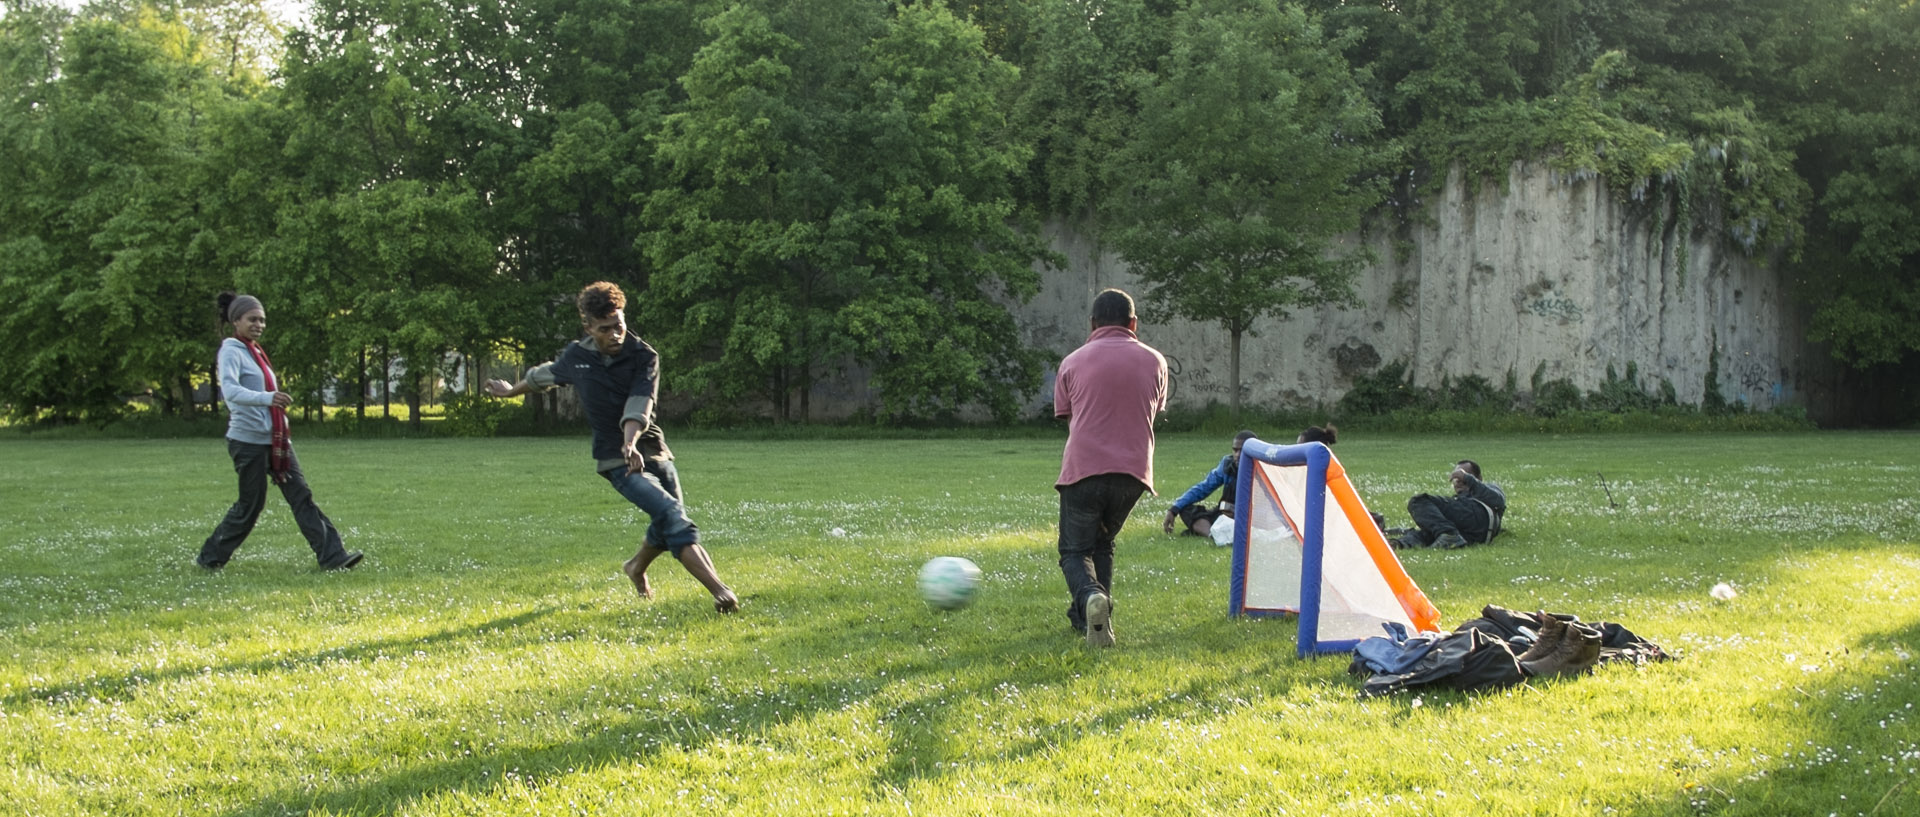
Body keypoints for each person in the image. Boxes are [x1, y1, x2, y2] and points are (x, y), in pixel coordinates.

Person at [483, 281, 739, 613]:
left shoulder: (644, 356)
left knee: (667, 521)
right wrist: (509, 392)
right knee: (672, 516)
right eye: (605, 329)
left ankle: (635, 566)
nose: (615, 334)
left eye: (619, 325)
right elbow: (543, 376)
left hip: (652, 450)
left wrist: (632, 442)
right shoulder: (577, 357)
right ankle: (720, 592)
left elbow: (639, 404)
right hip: (614, 459)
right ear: (588, 327)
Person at [198, 293, 365, 571]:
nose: (259, 325)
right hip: (247, 441)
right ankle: (209, 558)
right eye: (252, 319)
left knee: (301, 496)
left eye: (262, 320)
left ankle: (334, 558)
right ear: (236, 321)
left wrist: (271, 402)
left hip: (275, 440)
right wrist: (268, 397)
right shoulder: (231, 350)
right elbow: (230, 391)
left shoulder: (256, 352)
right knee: (250, 507)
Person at [1053, 288, 1168, 647]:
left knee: (1074, 551)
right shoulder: (1156, 361)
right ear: (1133, 323)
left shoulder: (1072, 361)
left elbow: (1067, 416)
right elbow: (1153, 411)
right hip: (1133, 473)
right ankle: (1086, 620)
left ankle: (1089, 598)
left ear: (1092, 323)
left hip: (1084, 468)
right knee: (1103, 544)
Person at [1162, 430, 1258, 541]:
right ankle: (1213, 536)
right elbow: (1203, 488)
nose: (1238, 455)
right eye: (1235, 450)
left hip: (1250, 518)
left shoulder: (1262, 471)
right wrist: (1174, 509)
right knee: (1185, 509)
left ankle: (1221, 534)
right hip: (1223, 515)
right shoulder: (1227, 465)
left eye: (1243, 451)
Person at [1394, 459, 1506, 550]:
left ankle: (1449, 534)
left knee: (1418, 501)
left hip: (1477, 513)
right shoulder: (1458, 502)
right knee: (1432, 533)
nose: (1459, 480)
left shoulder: (1489, 487)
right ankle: (1398, 544)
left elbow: (1498, 500)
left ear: (1479, 478)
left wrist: (1467, 478)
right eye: (1456, 478)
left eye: (1462, 475)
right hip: (1473, 536)